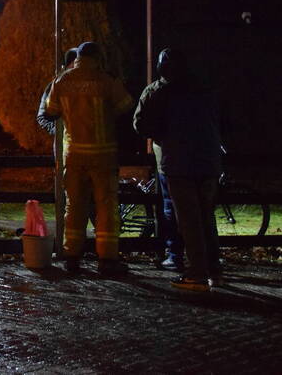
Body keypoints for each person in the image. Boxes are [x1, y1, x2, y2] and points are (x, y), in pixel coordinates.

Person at [133, 48, 223, 292]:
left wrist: (163, 134)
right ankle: (214, 269)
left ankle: (197, 273)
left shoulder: (158, 91)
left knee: (189, 220)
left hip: (178, 163)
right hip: (209, 161)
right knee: (207, 217)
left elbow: (141, 124)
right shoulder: (205, 88)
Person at [45, 41, 134, 275]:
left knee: (74, 205)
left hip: (73, 155)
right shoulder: (106, 80)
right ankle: (107, 259)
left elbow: (50, 111)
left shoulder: (62, 80)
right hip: (103, 155)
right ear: (98, 57)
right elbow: (126, 105)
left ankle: (72, 256)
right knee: (106, 206)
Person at [37, 47, 78, 136]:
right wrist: (58, 131)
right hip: (64, 146)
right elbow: (42, 117)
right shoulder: (54, 86)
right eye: (74, 64)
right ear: (68, 65)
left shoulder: (87, 85)